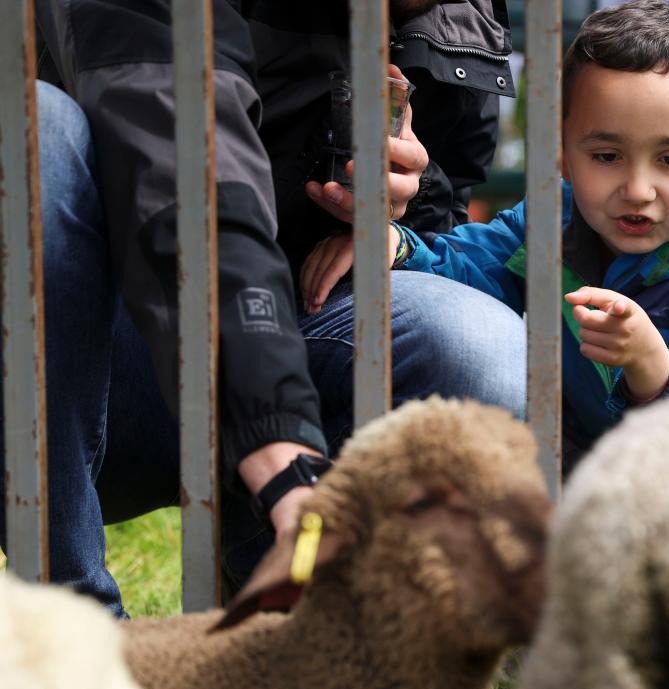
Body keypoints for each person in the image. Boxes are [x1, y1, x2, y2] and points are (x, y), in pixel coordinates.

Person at [18, 0, 525, 616]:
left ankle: (279, 613)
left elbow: (441, 232)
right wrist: (279, 442)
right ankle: (72, 624)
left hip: (298, 338)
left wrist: (397, 216)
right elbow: (187, 163)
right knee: (34, 131)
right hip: (92, 364)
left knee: (477, 345)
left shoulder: (456, 12)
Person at [302, 0, 669, 467]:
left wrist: (654, 368)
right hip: (579, 466)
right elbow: (472, 265)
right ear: (564, 154)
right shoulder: (555, 220)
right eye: (606, 156)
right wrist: (399, 245)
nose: (638, 190)